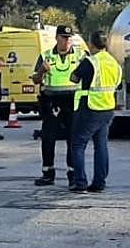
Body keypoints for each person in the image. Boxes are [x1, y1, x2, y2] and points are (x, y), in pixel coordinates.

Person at [68, 31, 123, 193]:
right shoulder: (115, 63)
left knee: (78, 144)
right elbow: (117, 84)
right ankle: (99, 182)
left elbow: (74, 78)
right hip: (107, 109)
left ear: (92, 44)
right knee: (101, 146)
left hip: (89, 108)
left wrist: (79, 63)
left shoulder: (90, 62)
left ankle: (80, 182)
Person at [32, 24, 85, 185]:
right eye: (64, 37)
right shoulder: (46, 55)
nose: (67, 41)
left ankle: (73, 174)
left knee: (73, 138)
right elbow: (35, 80)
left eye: (69, 38)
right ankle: (48, 173)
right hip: (51, 101)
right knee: (48, 138)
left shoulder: (81, 55)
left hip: (72, 101)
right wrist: (41, 71)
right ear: (56, 38)